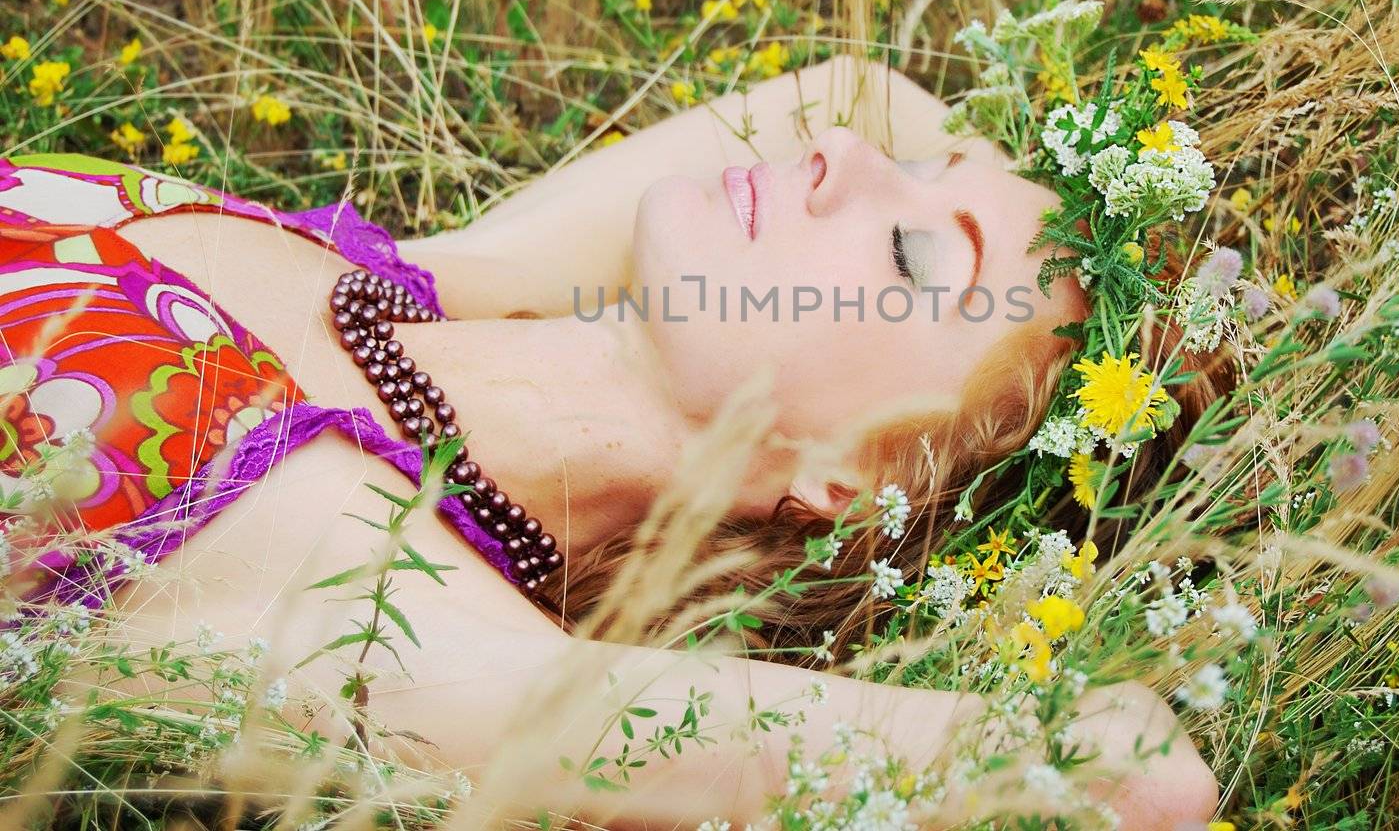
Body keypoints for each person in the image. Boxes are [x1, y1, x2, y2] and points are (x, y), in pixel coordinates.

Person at [0, 58, 1219, 827]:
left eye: (915, 253)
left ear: (849, 480)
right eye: (907, 176)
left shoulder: (378, 587)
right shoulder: (427, 280)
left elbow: (1131, 775)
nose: (842, 164)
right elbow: (863, 92)